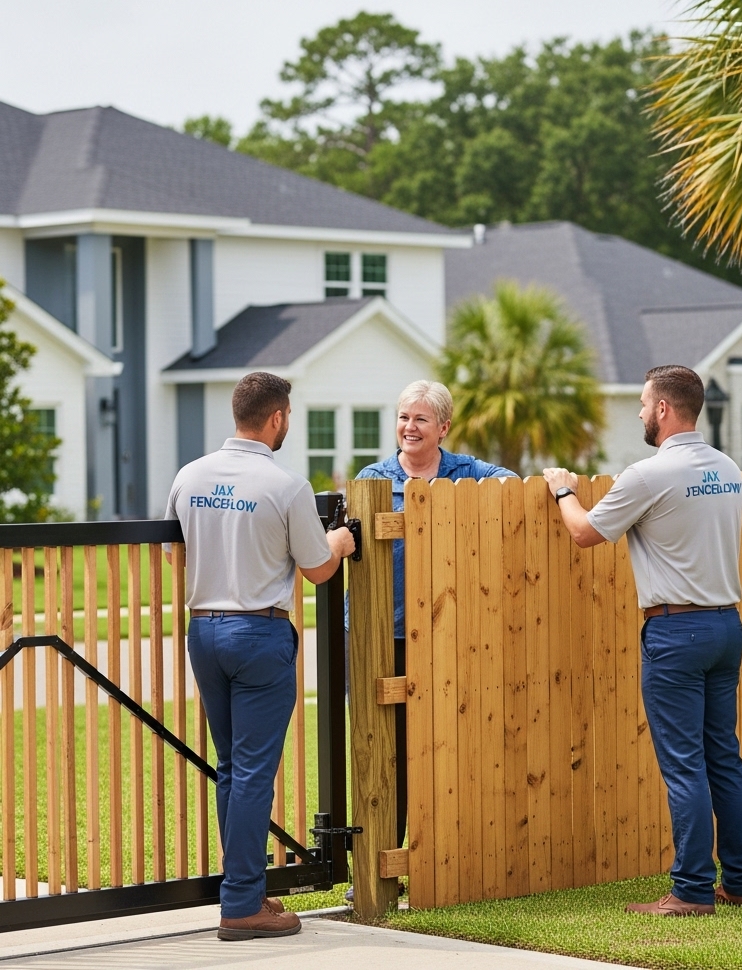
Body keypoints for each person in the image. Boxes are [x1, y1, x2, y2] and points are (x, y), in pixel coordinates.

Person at [544, 365, 742, 917]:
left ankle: (690, 890)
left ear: (664, 409)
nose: (640, 412)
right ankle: (740, 882)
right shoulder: (729, 469)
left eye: (643, 404)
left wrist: (564, 490)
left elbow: (585, 533)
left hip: (675, 630)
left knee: (685, 765)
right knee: (724, 760)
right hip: (725, 625)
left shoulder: (649, 474)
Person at [166, 372, 354, 941]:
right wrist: (341, 542)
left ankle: (246, 890)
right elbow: (318, 568)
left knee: (231, 770)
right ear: (276, 418)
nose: (288, 425)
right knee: (252, 775)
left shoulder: (189, 475)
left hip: (204, 632)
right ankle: (242, 906)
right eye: (289, 417)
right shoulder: (286, 485)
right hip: (259, 635)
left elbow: (179, 547)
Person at [353, 380, 516, 848]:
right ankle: (380, 854)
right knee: (381, 750)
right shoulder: (374, 479)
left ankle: (439, 857)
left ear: (443, 427)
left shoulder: (466, 472)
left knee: (443, 745)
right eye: (404, 417)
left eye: (421, 419)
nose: (410, 427)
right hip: (381, 632)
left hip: (444, 636)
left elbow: (514, 486)